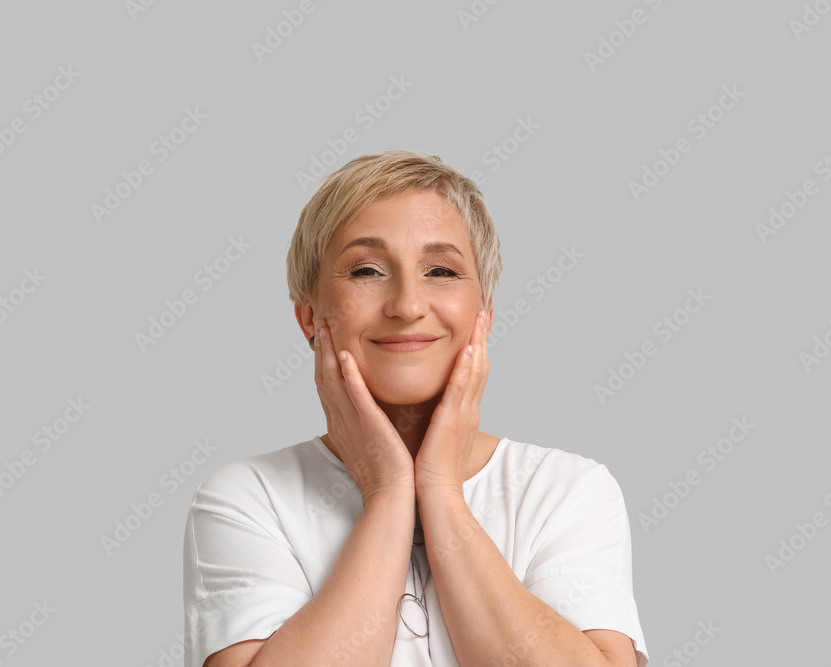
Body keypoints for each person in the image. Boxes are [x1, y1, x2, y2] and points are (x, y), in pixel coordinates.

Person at [182, 149, 649, 667]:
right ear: (309, 315)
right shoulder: (248, 498)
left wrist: (442, 494)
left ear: (483, 315)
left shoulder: (570, 490)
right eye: (366, 270)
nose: (406, 305)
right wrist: (387, 495)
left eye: (442, 271)